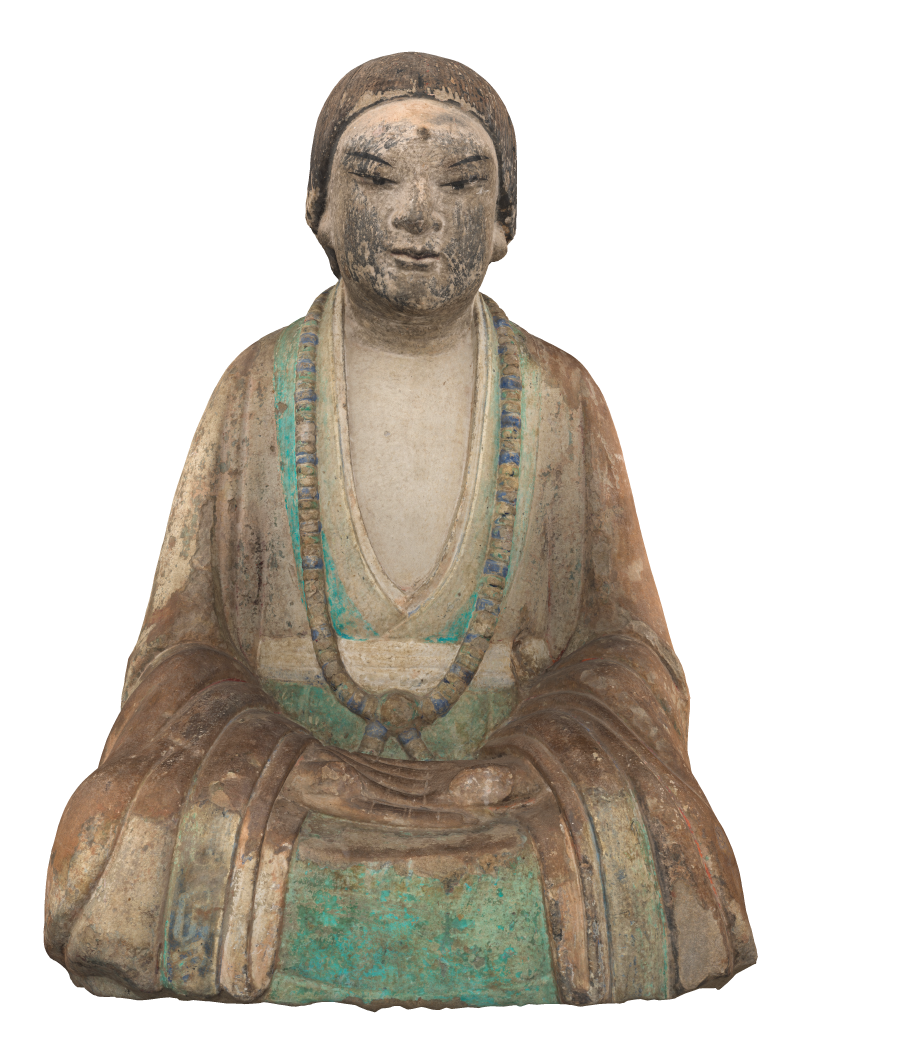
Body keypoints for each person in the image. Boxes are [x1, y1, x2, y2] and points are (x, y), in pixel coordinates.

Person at [44, 52, 756, 1007]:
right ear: (318, 210)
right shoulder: (256, 385)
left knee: (667, 836)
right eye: (376, 178)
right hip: (285, 774)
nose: (418, 214)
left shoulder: (560, 394)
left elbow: (628, 648)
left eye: (459, 183)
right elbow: (180, 647)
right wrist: (285, 755)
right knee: (118, 832)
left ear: (504, 222)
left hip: (510, 781)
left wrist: (526, 757)